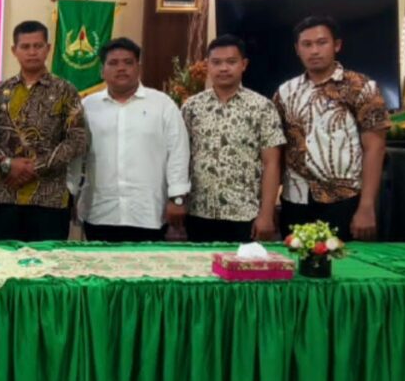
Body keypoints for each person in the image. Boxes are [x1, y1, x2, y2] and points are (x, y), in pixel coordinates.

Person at [274, 16, 389, 241]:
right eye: (307, 44)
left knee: (342, 261)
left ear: (336, 45)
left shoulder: (362, 87)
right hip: (295, 198)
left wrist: (367, 206)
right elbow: (277, 149)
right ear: (297, 49)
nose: (314, 51)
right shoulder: (285, 92)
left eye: (322, 42)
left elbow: (375, 148)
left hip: (345, 201)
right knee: (295, 260)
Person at [79, 37, 190, 241]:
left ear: (138, 67)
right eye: (113, 63)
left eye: (128, 62)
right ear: (102, 70)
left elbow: (178, 152)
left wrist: (177, 198)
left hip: (148, 213)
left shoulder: (162, 104)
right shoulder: (87, 107)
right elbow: (77, 155)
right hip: (101, 212)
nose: (121, 68)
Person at [0, 21, 88, 241]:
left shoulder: (66, 91)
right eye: (25, 46)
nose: (32, 52)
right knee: (4, 259)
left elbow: (77, 140)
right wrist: (8, 164)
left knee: (47, 261)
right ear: (14, 50)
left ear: (48, 48)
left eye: (38, 46)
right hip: (6, 196)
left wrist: (36, 167)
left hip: (49, 199)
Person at [181, 35, 286, 242]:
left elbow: (271, 164)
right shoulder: (191, 107)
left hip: (245, 214)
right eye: (216, 62)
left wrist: (266, 214)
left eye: (231, 62)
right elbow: (180, 157)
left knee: (245, 264)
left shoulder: (262, 107)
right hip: (198, 213)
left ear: (243, 64)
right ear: (207, 65)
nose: (223, 68)